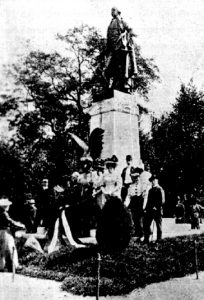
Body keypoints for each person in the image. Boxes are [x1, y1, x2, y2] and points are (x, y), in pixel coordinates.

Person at [104, 6, 137, 92]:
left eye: (113, 10)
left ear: (118, 12)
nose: (111, 12)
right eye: (111, 10)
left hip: (120, 48)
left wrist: (127, 37)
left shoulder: (122, 22)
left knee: (120, 68)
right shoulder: (111, 23)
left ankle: (121, 85)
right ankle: (112, 86)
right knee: (107, 68)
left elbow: (130, 30)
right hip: (112, 49)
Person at [0, 198, 25, 272]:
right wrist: (20, 225)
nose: (9, 207)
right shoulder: (4, 213)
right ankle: (15, 266)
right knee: (11, 248)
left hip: (0, 231)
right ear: (5, 206)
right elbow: (10, 221)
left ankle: (1, 266)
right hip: (5, 231)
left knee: (1, 249)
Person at [124, 167, 144, 240]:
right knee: (134, 218)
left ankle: (142, 233)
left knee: (140, 218)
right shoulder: (130, 186)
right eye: (134, 177)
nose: (135, 179)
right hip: (133, 203)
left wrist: (144, 205)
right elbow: (128, 196)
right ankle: (137, 233)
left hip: (140, 202)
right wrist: (125, 205)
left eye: (136, 177)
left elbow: (144, 195)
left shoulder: (142, 185)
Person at [144, 175, 165, 243]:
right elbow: (148, 201)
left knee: (158, 226)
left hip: (157, 210)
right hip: (150, 210)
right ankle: (146, 239)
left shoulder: (160, 189)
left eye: (154, 180)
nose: (153, 182)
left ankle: (159, 239)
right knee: (147, 224)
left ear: (157, 180)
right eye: (152, 180)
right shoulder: (150, 190)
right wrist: (146, 208)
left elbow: (162, 200)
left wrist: (156, 206)